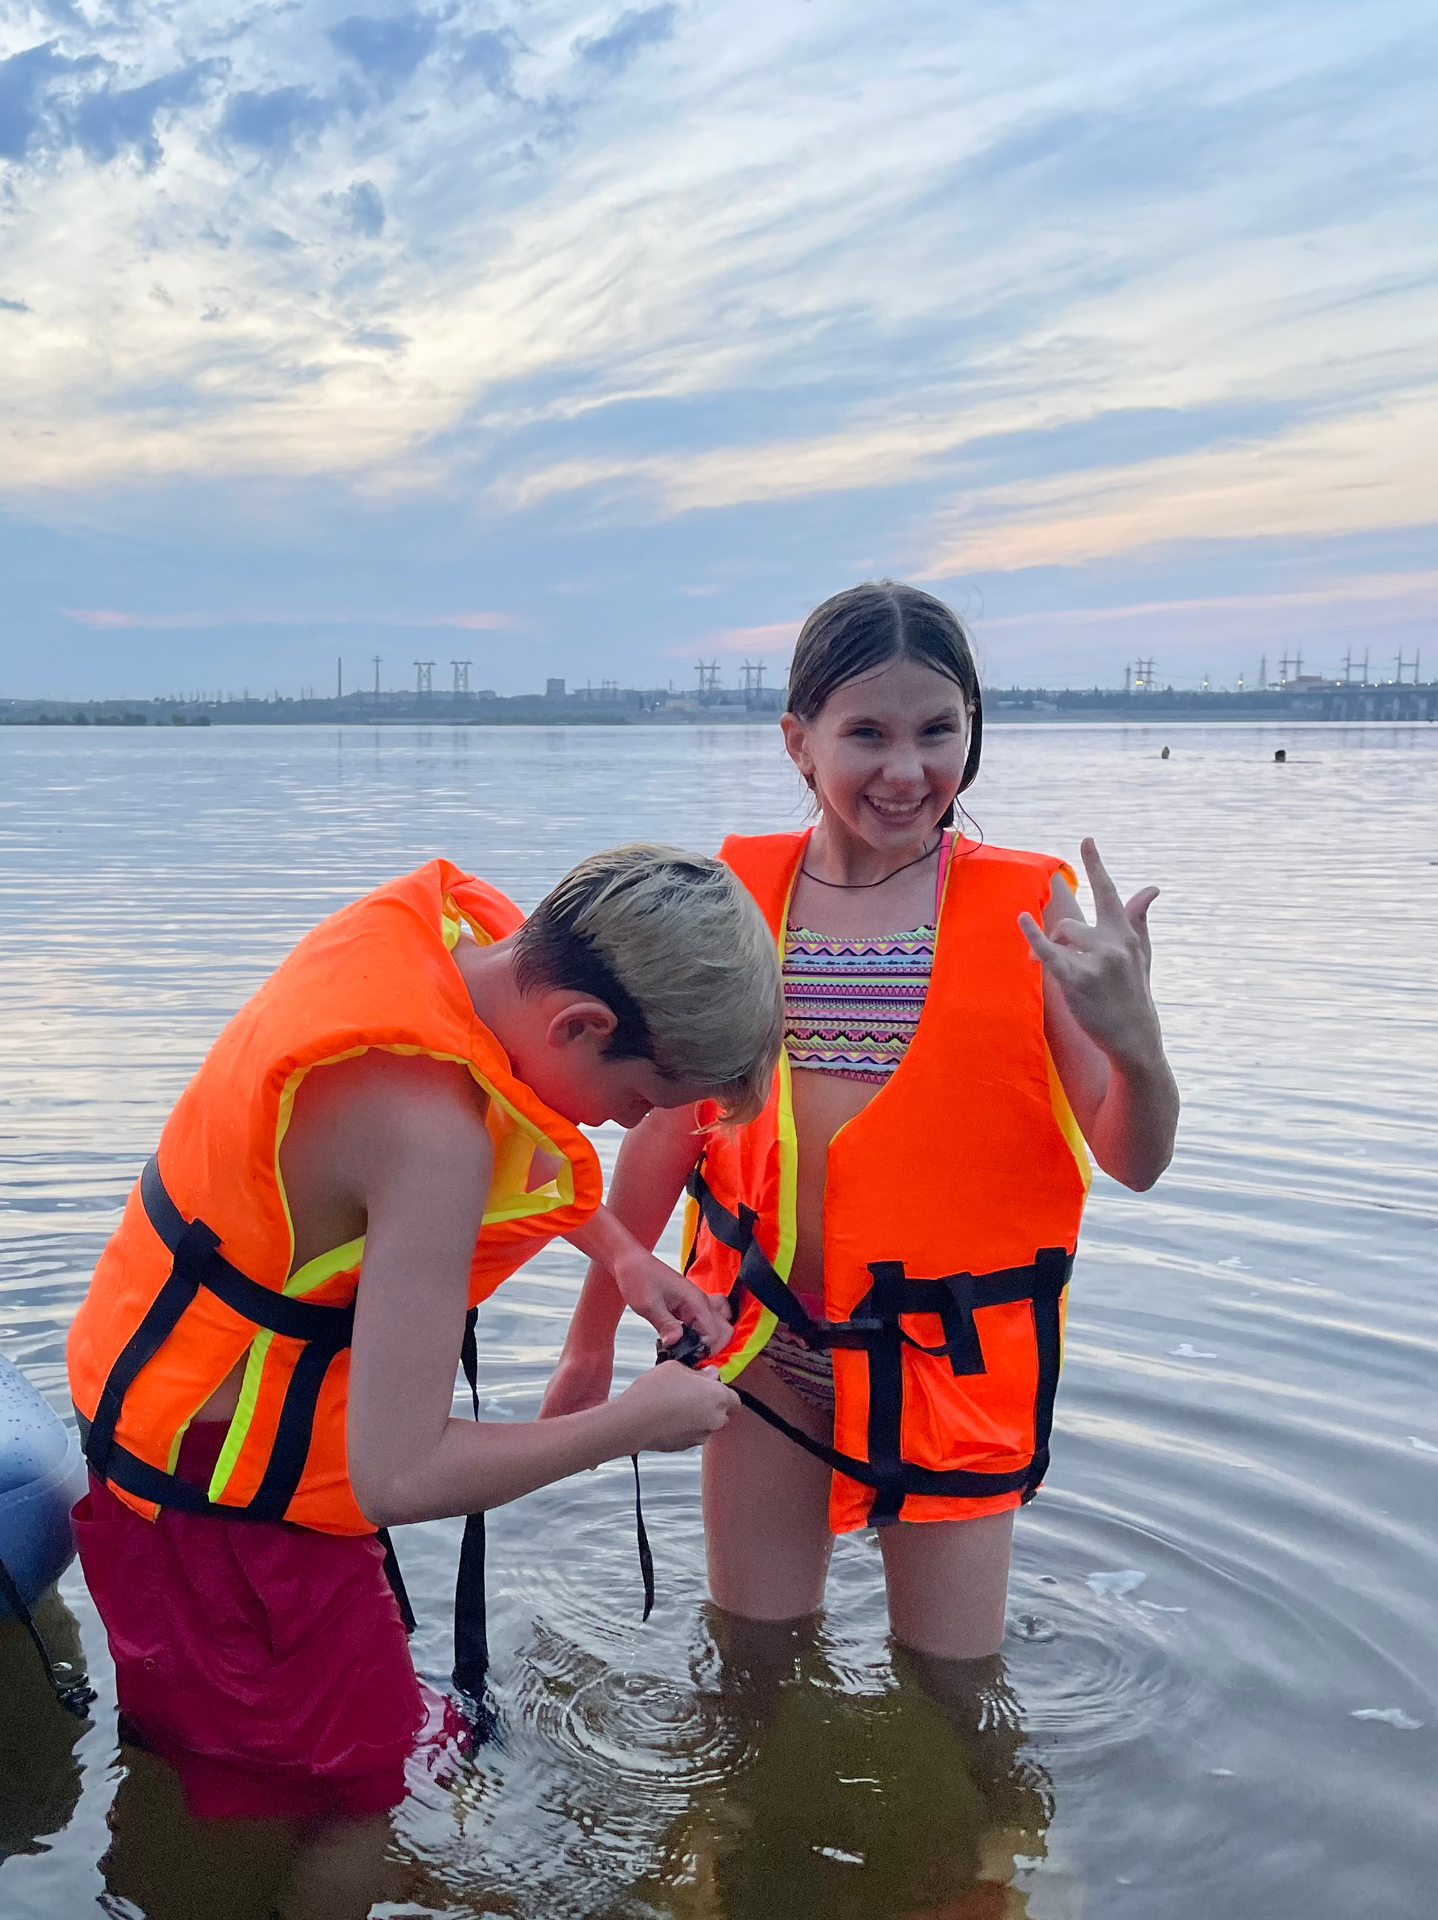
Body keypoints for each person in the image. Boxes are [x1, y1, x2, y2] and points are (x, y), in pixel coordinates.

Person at [66, 844, 776, 1844]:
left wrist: (619, 1252)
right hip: (227, 1519)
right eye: (637, 1105)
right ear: (581, 1026)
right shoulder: (428, 1141)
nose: (633, 1129)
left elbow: (486, 1081)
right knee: (359, 1804)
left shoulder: (454, 946)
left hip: (154, 1430)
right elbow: (400, 1477)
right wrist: (631, 1422)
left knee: (227, 1763)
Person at [541, 582, 1179, 1660]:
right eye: (866, 733)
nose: (905, 770)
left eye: (938, 731)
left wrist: (1134, 1038)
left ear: (973, 732)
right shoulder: (735, 897)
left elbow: (1134, 1159)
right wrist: (589, 1339)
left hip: (952, 1358)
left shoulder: (1036, 914)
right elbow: (666, 1133)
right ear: (798, 741)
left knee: (957, 1694)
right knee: (750, 1666)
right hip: (763, 1346)